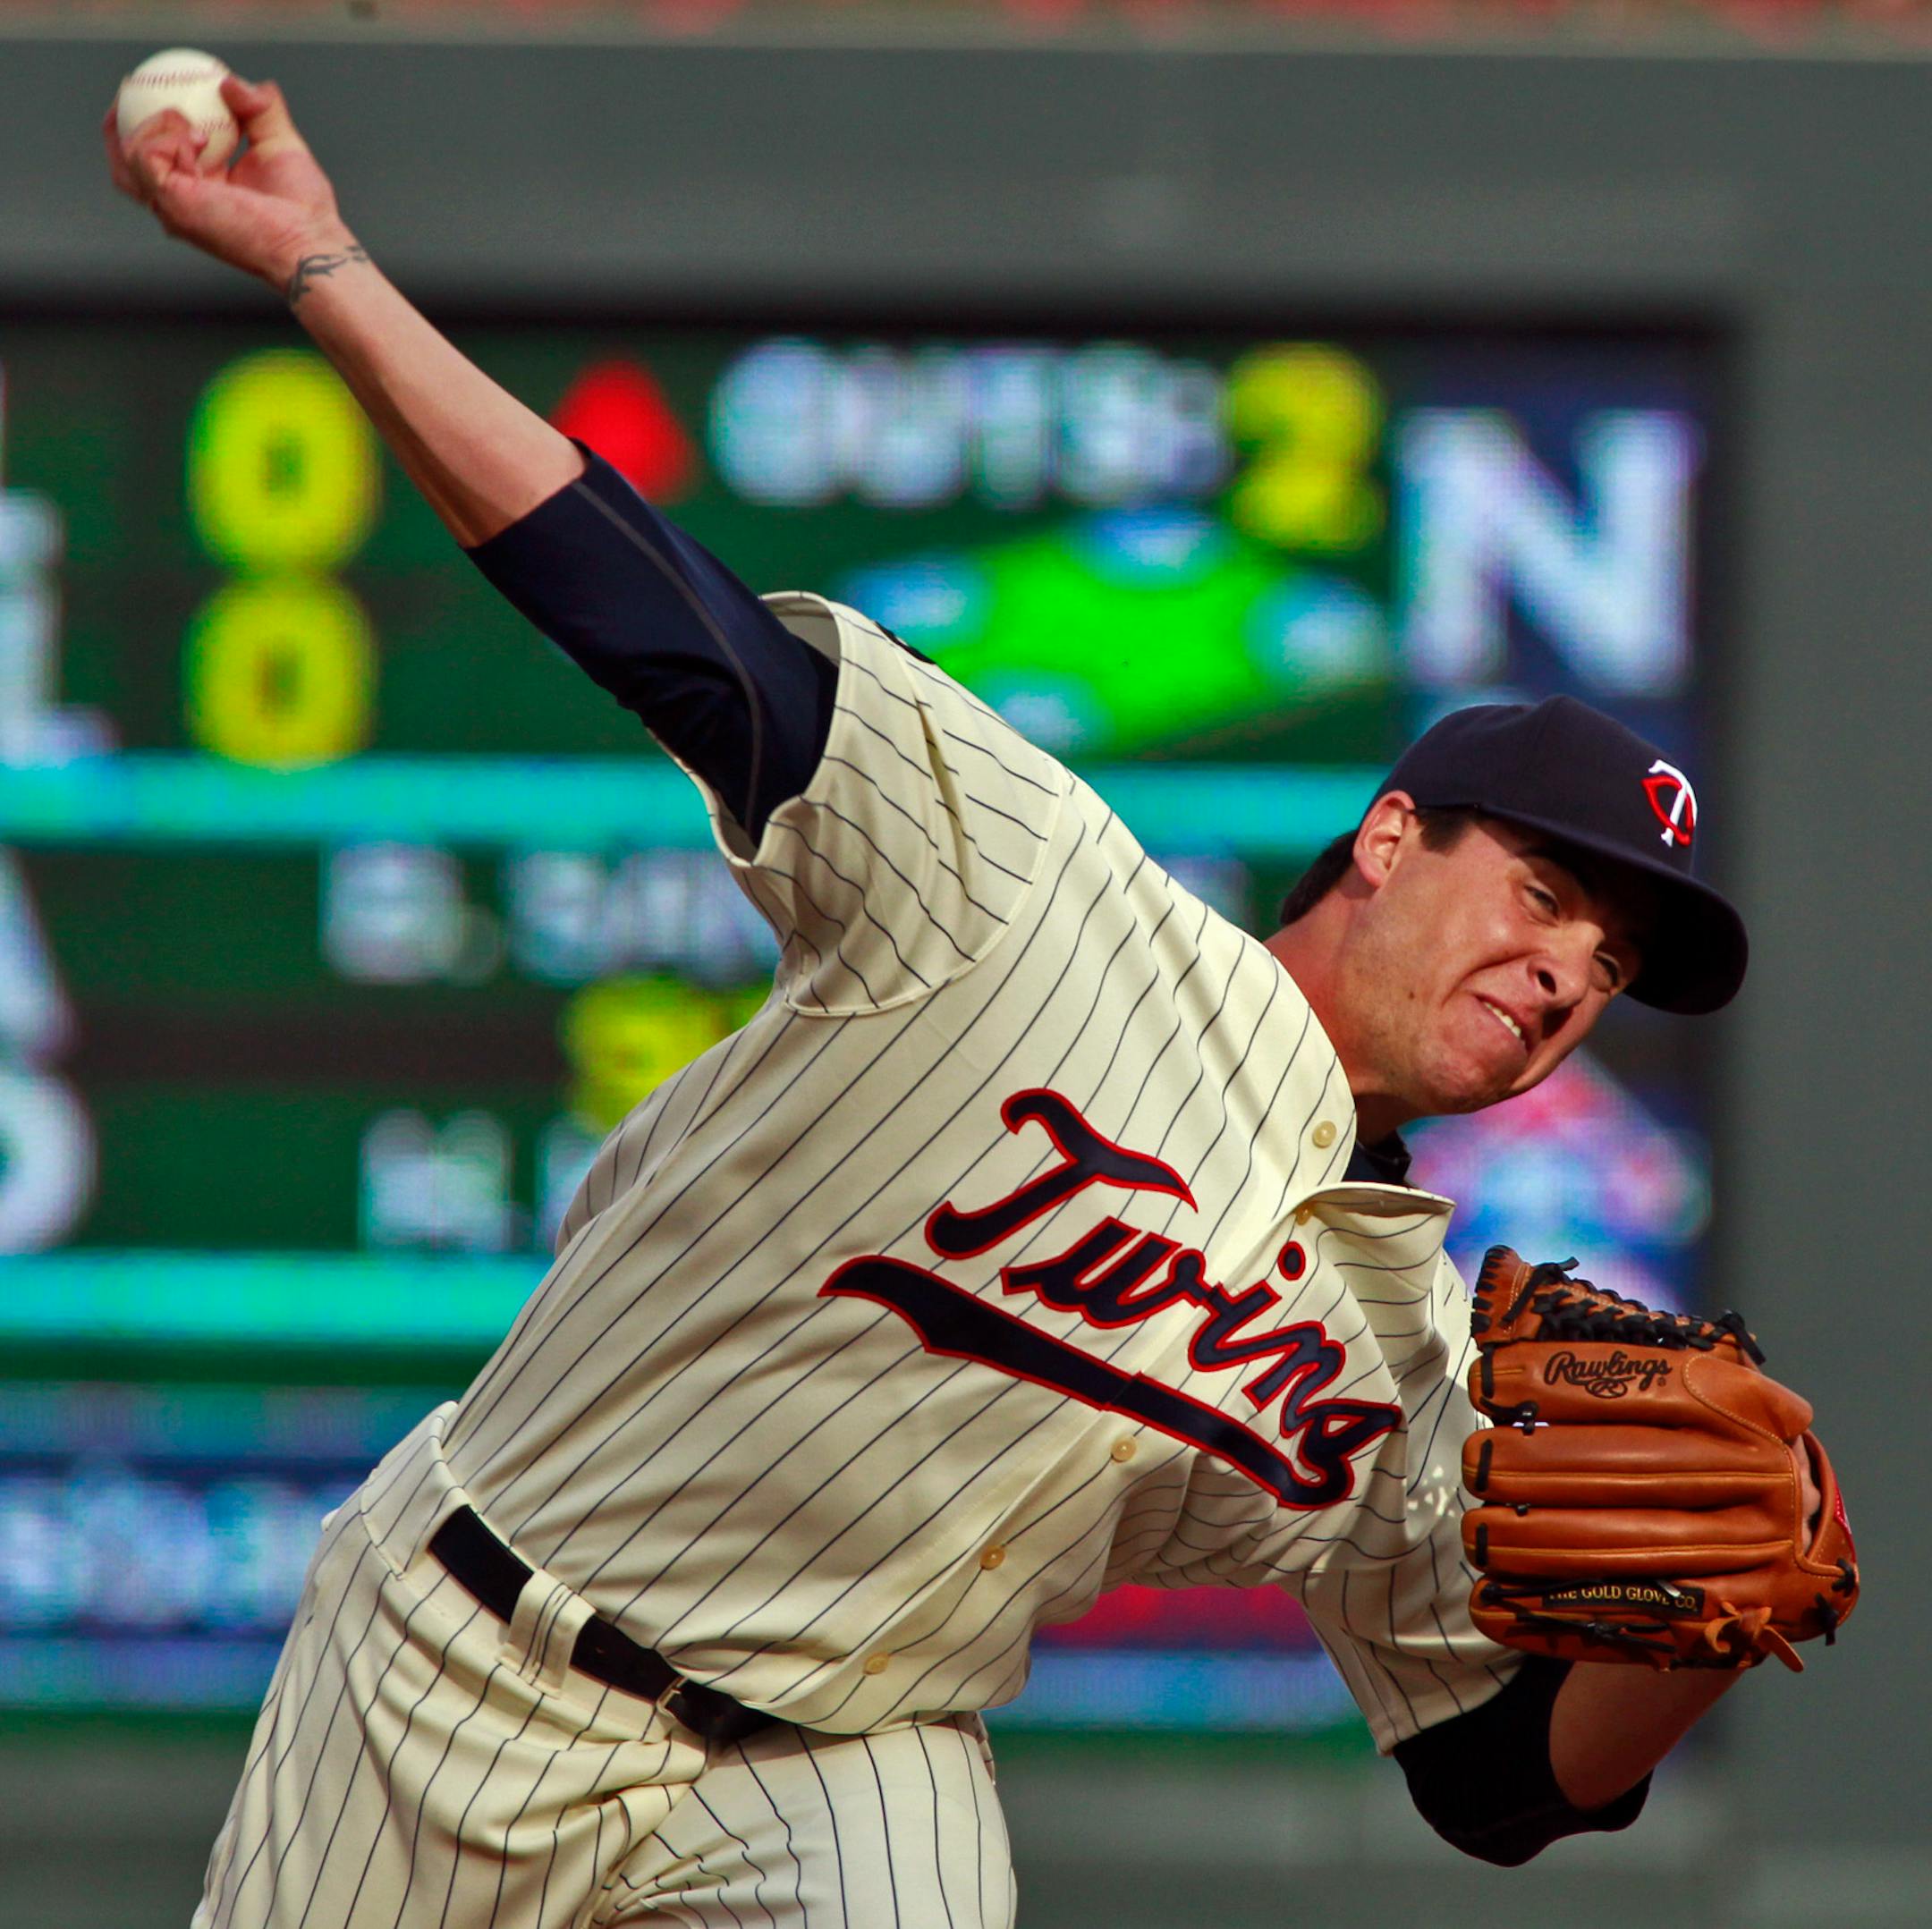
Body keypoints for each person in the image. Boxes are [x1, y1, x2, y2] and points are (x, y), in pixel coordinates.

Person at [110, 78, 1801, 1929]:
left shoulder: (1404, 1345)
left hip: (847, 1754)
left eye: (1612, 963)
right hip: (462, 1640)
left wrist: (1726, 1621)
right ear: (1390, 832)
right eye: (1547, 892)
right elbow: (659, 614)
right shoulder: (1030, 885)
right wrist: (322, 265)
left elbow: (1495, 1780)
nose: (1569, 969)